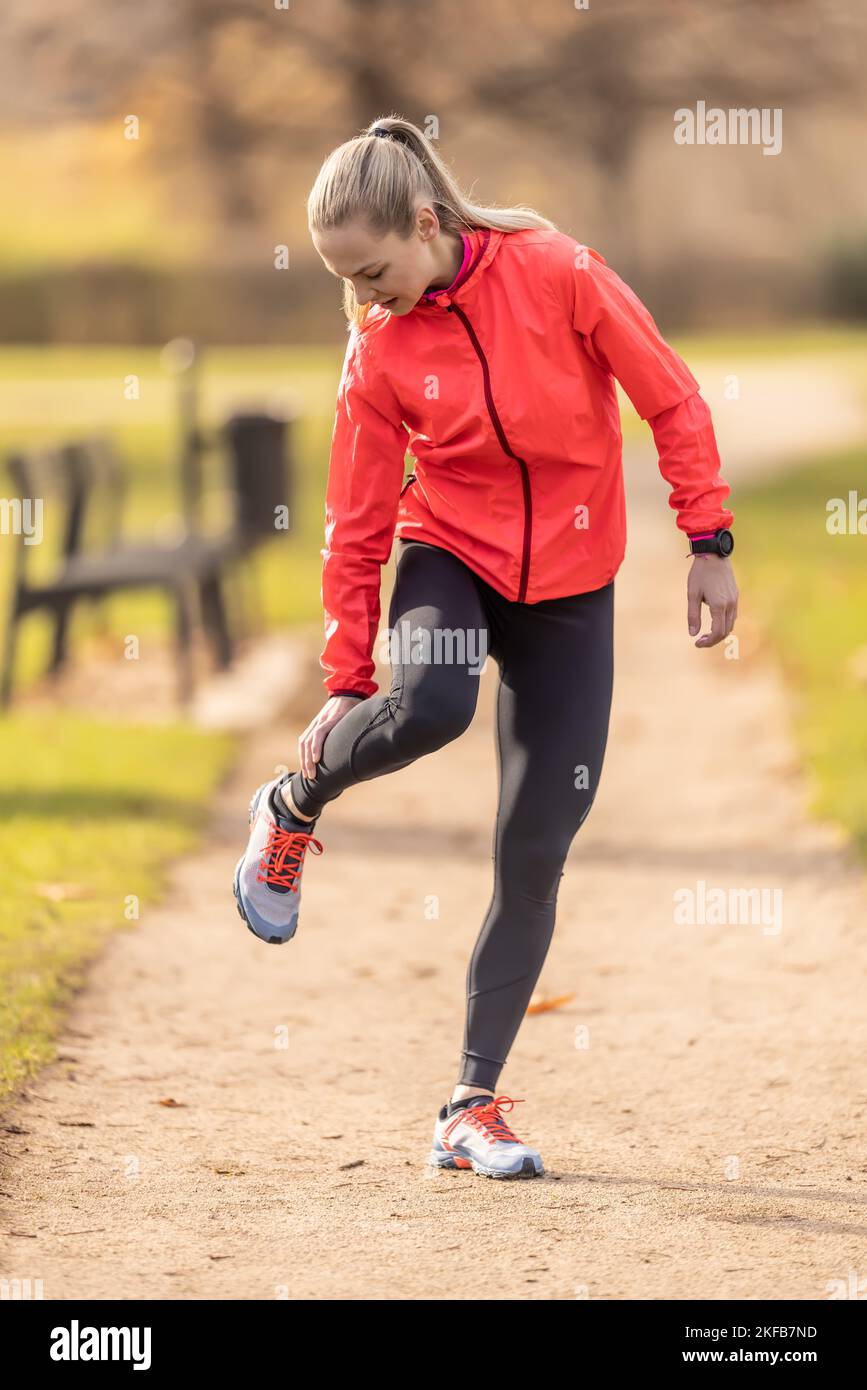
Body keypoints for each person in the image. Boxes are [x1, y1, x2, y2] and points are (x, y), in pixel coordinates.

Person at [233, 115, 737, 1180]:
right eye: (345, 280)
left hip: (570, 582)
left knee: (538, 845)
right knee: (433, 705)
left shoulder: (558, 273)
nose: (363, 297)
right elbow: (356, 519)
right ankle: (293, 803)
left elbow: (669, 395)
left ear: (426, 222)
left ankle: (470, 1104)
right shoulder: (378, 347)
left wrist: (708, 537)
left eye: (373, 271)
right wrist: (344, 681)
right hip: (448, 554)